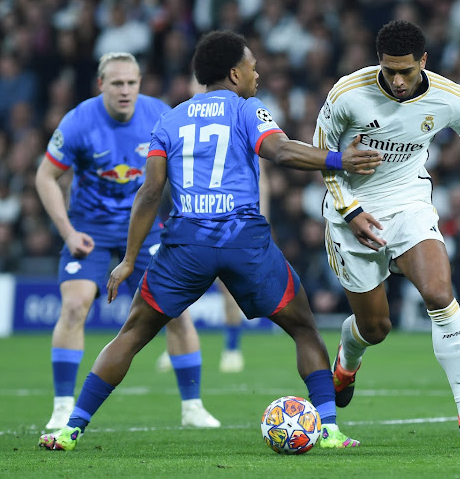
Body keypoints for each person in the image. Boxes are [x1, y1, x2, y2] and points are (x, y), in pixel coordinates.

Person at [38, 30, 381, 451]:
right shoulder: (247, 109)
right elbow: (281, 152)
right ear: (235, 74)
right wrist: (337, 159)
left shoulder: (170, 119)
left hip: (186, 246)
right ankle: (328, 430)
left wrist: (129, 259)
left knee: (131, 334)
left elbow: (149, 194)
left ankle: (71, 429)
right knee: (304, 328)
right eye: (253, 67)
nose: (258, 74)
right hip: (243, 241)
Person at [314, 20, 460, 445]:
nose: (397, 81)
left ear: (424, 61)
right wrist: (351, 211)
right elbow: (321, 157)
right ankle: (347, 362)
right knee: (376, 327)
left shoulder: (449, 97)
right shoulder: (348, 93)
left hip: (408, 202)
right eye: (389, 71)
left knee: (440, 294)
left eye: (406, 71)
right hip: (351, 211)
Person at [34, 52, 219, 431]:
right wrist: (68, 232)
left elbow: (186, 172)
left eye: (131, 83)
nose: (125, 90)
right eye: (116, 83)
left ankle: (193, 407)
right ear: (101, 85)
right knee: (74, 306)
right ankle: (62, 406)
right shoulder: (78, 122)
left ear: (140, 84)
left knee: (176, 311)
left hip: (146, 226)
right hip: (91, 228)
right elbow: (45, 177)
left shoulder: (160, 116)